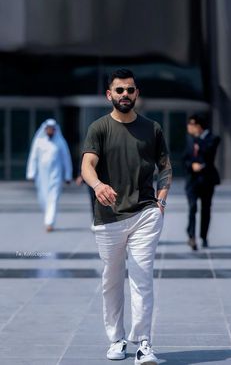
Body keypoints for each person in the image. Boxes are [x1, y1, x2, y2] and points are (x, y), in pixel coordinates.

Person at [81, 68, 172, 365]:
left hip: (146, 213)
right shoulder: (99, 128)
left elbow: (166, 167)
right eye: (119, 90)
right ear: (109, 95)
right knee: (111, 280)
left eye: (130, 90)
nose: (125, 95)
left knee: (142, 278)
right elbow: (87, 165)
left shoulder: (152, 128)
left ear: (137, 94)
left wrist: (160, 203)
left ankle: (144, 344)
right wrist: (97, 185)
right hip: (109, 218)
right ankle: (116, 339)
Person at [26, 119, 72, 232]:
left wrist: (68, 176)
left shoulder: (60, 142)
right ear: (45, 129)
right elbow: (33, 158)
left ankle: (49, 222)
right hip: (42, 176)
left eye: (52, 129)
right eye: (48, 129)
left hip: (56, 175)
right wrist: (31, 173)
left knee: (53, 198)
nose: (50, 131)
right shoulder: (39, 141)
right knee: (43, 198)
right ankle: (48, 217)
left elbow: (66, 159)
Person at [183, 114, 220, 250]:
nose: (188, 128)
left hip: (207, 180)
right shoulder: (189, 139)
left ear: (198, 126)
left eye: (191, 125)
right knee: (192, 207)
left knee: (206, 209)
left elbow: (208, 152)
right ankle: (191, 236)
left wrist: (198, 138)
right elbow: (185, 158)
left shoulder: (212, 138)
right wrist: (191, 165)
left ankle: (203, 236)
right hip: (192, 180)